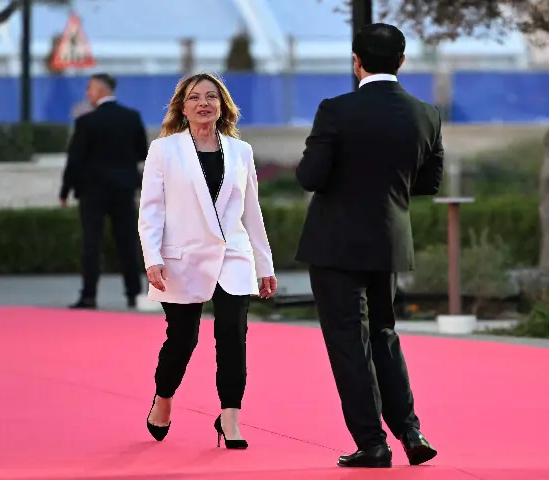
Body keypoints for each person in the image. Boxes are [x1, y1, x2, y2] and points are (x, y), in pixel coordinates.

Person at [294, 24, 444, 468]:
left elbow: (310, 177)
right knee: (384, 334)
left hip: (335, 245)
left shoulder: (336, 110)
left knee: (348, 342)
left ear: (356, 61)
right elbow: (429, 183)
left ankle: (372, 442)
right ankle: (411, 431)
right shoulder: (427, 114)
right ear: (401, 61)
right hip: (389, 242)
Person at [138, 73, 277, 449]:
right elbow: (150, 210)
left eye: (211, 97)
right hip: (180, 259)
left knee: (233, 337)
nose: (204, 103)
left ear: (223, 105)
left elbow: (252, 213)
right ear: (182, 107)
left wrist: (265, 265)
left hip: (233, 256)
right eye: (195, 97)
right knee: (182, 339)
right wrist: (152, 257)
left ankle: (230, 416)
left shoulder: (241, 151)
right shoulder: (164, 150)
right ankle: (163, 398)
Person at [59, 73, 148, 310]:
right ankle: (134, 294)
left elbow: (75, 159)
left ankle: (89, 296)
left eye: (90, 89)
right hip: (124, 188)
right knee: (127, 241)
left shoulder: (86, 122)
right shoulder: (132, 117)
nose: (87, 94)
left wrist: (65, 189)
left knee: (92, 242)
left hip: (93, 190)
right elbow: (141, 152)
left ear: (99, 91)